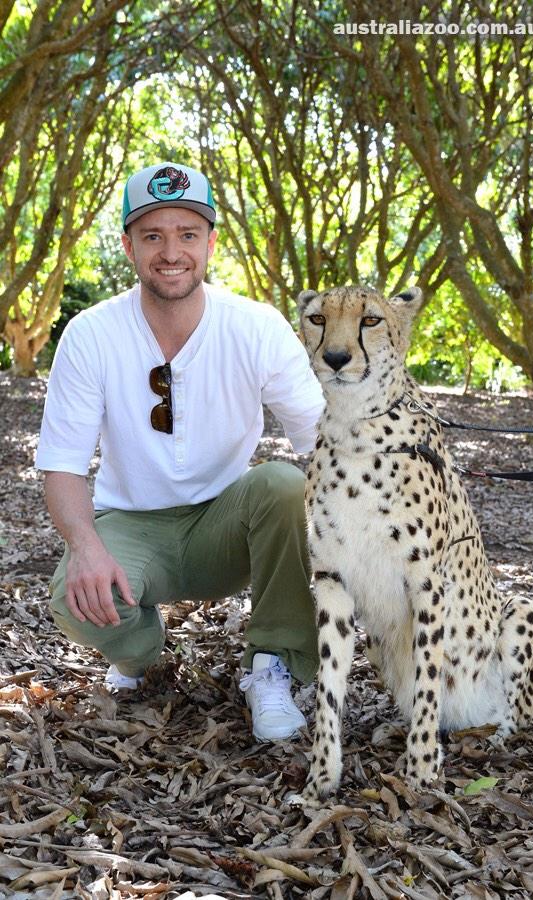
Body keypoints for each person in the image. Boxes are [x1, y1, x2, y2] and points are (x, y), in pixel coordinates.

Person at [35, 162, 324, 741]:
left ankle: (273, 663)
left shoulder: (257, 327)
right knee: (73, 596)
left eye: (187, 235)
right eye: (153, 236)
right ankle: (141, 657)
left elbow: (323, 438)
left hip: (227, 526)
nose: (172, 252)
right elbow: (61, 464)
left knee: (283, 484)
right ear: (128, 246)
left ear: (211, 243)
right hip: (134, 528)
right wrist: (87, 547)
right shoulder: (90, 333)